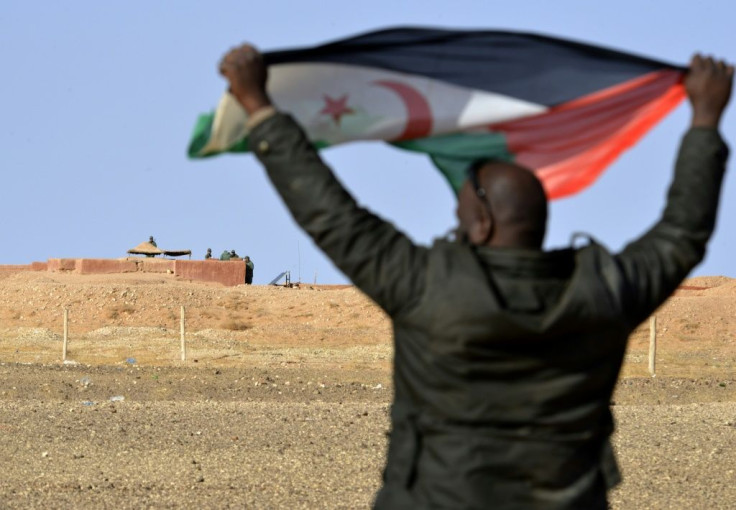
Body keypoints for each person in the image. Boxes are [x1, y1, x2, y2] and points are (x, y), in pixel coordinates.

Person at [219, 45, 732, 509]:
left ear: (482, 222)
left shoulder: (425, 286)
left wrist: (260, 106)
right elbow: (683, 233)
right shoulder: (605, 292)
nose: (455, 226)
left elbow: (330, 214)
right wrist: (706, 118)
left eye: (460, 214)